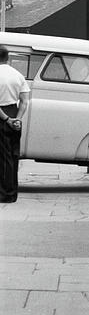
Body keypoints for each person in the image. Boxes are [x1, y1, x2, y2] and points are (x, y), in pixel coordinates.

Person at [0, 46, 31, 203]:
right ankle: (12, 193)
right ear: (8, 58)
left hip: (3, 115)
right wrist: (17, 119)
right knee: (13, 155)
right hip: (15, 111)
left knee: (3, 158)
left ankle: (4, 194)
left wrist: (6, 119)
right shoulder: (18, 75)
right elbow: (25, 101)